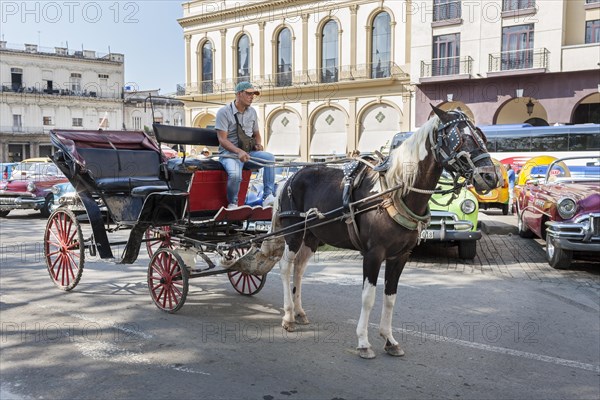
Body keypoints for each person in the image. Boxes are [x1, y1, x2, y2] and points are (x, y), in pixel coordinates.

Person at [215, 81, 275, 208]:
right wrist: (239, 152)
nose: (252, 96)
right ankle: (233, 203)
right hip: (229, 154)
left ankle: (268, 197)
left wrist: (258, 144)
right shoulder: (223, 112)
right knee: (236, 174)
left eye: (253, 94)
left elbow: (257, 134)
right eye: (248, 93)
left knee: (270, 158)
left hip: (248, 153)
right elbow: (222, 140)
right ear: (238, 94)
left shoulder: (252, 112)